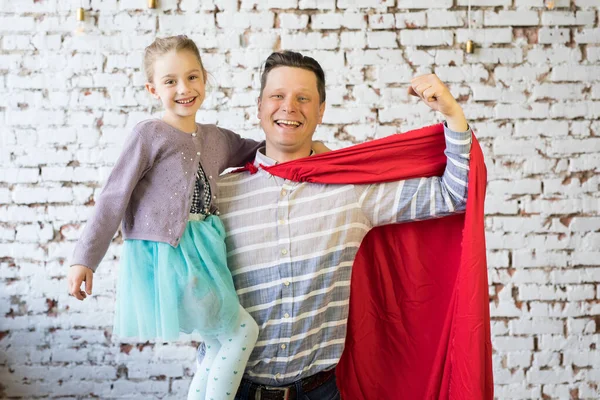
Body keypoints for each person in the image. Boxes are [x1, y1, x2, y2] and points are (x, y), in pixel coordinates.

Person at [66, 36, 328, 400]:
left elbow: (263, 148)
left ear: (205, 78)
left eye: (192, 77)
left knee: (221, 341)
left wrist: (316, 149)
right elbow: (114, 195)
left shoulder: (216, 138)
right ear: (152, 89)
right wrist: (85, 259)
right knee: (241, 333)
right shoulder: (149, 134)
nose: (184, 89)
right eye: (170, 81)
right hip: (173, 257)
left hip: (205, 253)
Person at [209, 51, 473, 400]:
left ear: (321, 111)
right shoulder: (218, 194)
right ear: (259, 106)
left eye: (304, 98)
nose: (289, 106)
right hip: (229, 390)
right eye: (277, 95)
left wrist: (452, 113)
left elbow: (454, 195)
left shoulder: (350, 192)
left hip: (319, 392)